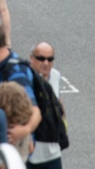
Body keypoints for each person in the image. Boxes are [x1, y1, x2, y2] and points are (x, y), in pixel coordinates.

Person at [26, 41, 67, 169]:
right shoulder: (24, 78)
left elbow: (59, 104)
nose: (46, 63)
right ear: (31, 58)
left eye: (50, 59)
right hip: (31, 155)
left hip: (52, 153)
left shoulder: (55, 75)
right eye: (41, 58)